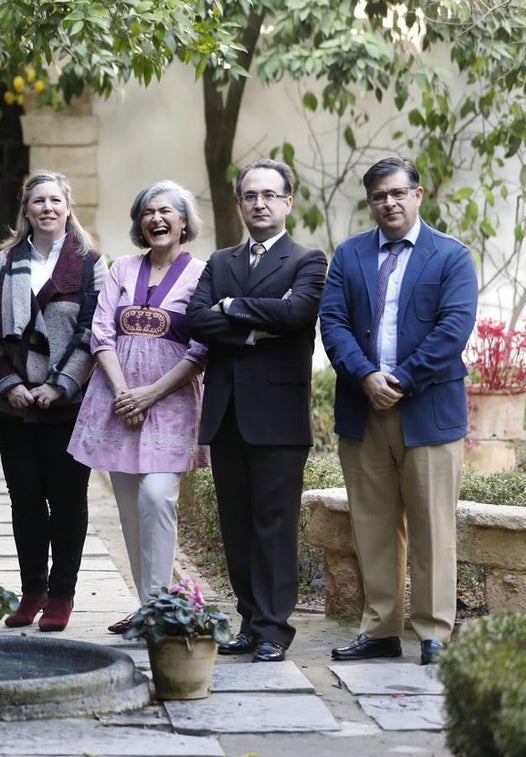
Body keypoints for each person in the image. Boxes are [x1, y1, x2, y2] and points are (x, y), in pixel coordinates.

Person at [319, 157, 477, 666]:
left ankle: (433, 633)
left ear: (418, 194)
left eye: (397, 193)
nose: (389, 202)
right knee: (373, 523)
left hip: (428, 410)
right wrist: (366, 376)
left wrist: (402, 381)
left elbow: (453, 329)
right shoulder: (349, 255)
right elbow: (333, 322)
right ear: (370, 203)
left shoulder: (451, 256)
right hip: (363, 409)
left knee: (433, 524)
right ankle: (381, 629)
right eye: (378, 196)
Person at [186, 158, 327, 663]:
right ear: (240, 203)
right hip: (226, 413)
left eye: (270, 195)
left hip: (278, 414)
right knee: (237, 524)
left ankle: (273, 628)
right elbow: (196, 321)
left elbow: (296, 314)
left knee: (274, 523)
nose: (259, 203)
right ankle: (248, 620)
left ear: (288, 202)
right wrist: (249, 323)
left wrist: (231, 308)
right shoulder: (219, 262)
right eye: (250, 195)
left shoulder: (307, 261)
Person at [68, 181, 210, 634]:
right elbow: (100, 334)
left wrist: (150, 394)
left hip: (172, 402)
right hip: (117, 399)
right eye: (147, 212)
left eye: (166, 210)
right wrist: (125, 391)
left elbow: (202, 346)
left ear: (184, 221)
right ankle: (149, 605)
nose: (156, 218)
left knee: (156, 498)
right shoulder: (123, 268)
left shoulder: (202, 273)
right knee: (129, 508)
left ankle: (162, 605)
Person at [0, 170, 108, 633]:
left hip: (68, 403)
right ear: (26, 209)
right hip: (14, 403)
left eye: (55, 200)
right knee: (24, 501)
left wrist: (59, 384)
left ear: (67, 206)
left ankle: (61, 594)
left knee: (67, 500)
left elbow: (93, 331)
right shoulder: (3, 262)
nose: (47, 208)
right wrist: (9, 383)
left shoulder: (91, 262)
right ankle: (31, 590)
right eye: (38, 201)